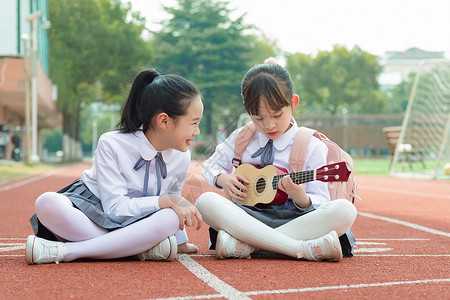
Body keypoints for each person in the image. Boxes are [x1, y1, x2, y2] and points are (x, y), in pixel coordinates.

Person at [26, 69, 204, 264]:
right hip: (95, 212)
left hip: (139, 222)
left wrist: (178, 241)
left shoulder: (181, 155)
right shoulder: (112, 143)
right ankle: (136, 248)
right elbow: (114, 209)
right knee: (47, 202)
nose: (197, 132)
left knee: (170, 217)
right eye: (193, 123)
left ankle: (68, 251)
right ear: (164, 121)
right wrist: (165, 201)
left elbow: (175, 204)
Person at [196, 62, 357, 262]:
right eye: (258, 117)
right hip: (248, 217)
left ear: (293, 103)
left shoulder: (311, 145)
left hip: (296, 219)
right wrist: (224, 179)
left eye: (277, 115)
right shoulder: (242, 137)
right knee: (205, 202)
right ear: (247, 110)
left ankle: (249, 245)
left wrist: (300, 197)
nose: (269, 124)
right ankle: (299, 248)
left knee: (345, 210)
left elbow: (322, 200)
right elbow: (210, 166)